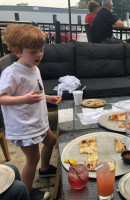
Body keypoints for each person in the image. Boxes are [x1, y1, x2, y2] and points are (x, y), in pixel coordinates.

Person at [0, 24, 61, 199]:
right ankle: (26, 192)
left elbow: (37, 90)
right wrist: (23, 99)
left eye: (41, 50)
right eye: (33, 52)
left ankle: (45, 169)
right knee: (32, 159)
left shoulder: (35, 68)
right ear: (17, 51)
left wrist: (47, 97)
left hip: (38, 121)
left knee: (51, 142)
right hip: (24, 126)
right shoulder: (12, 73)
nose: (39, 55)